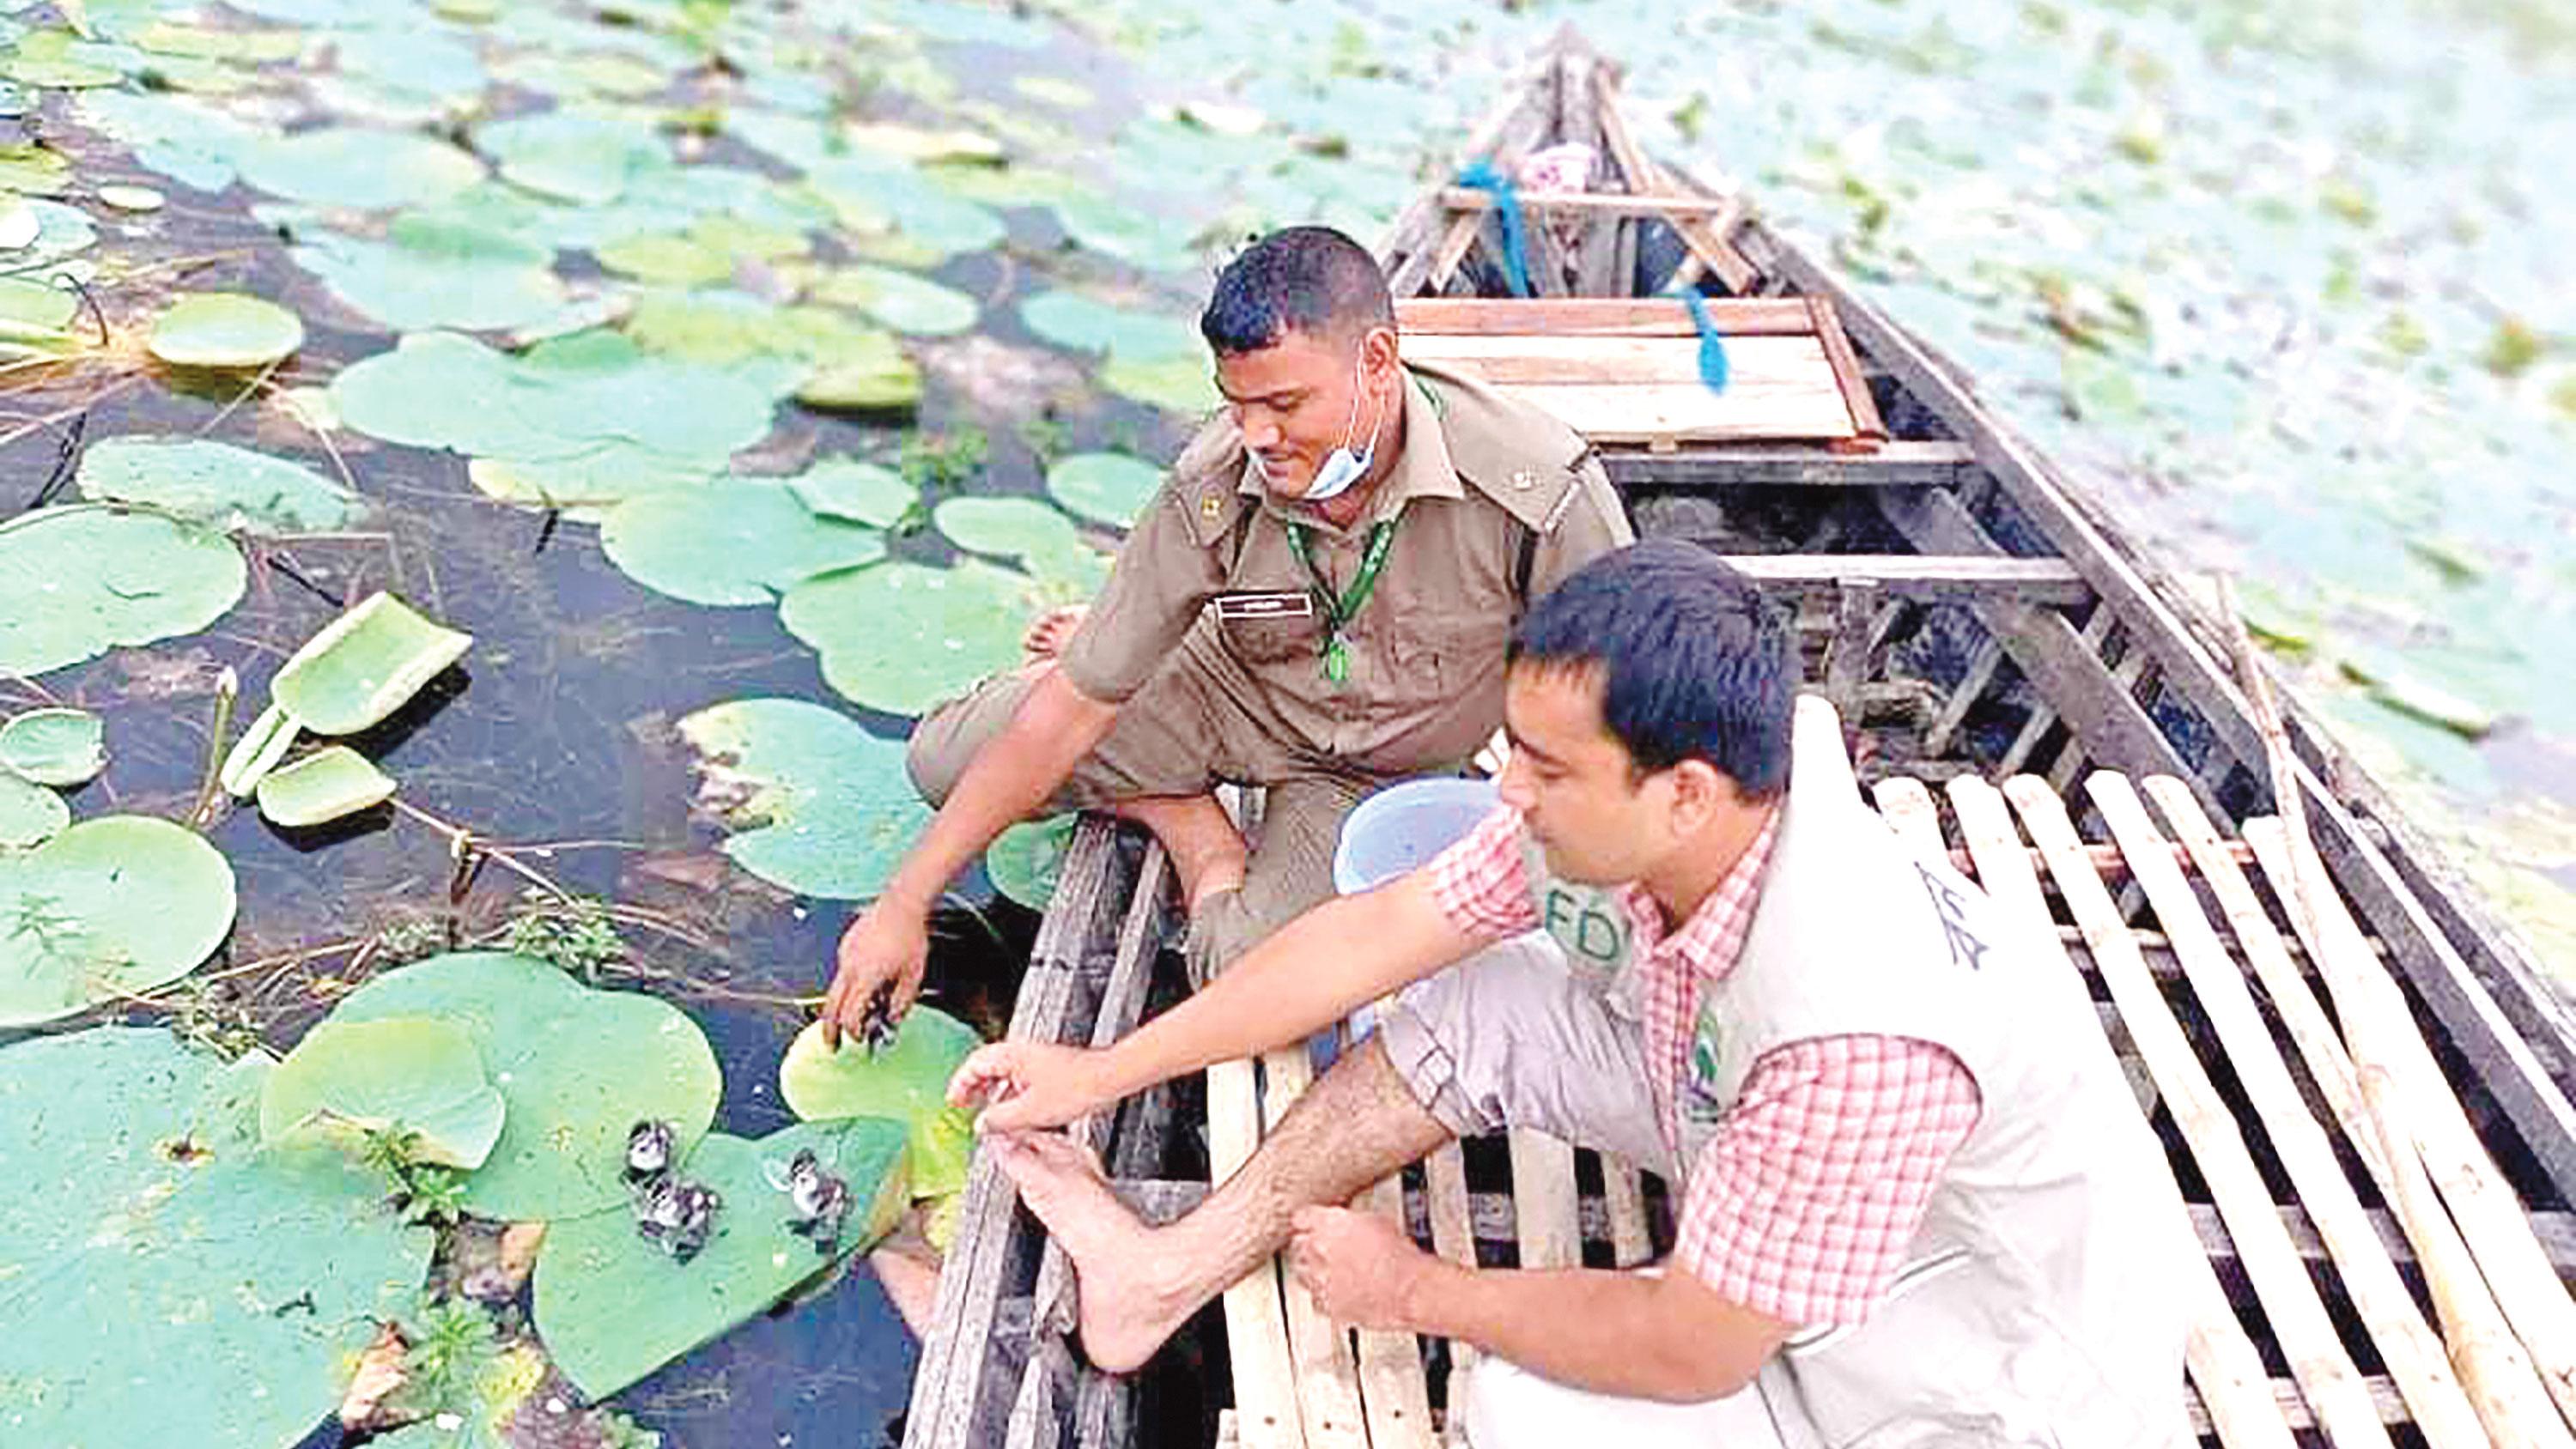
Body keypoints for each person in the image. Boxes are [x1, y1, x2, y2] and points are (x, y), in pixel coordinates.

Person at [949, 541, 2190, 1446]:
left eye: (1545, 770)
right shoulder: (1634, 810)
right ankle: (1163, 1275)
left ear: (1685, 794)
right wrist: (1103, 1071)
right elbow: (1375, 933)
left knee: (1516, 1404)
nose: (1511, 795)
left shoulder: (1852, 1038)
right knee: (1486, 996)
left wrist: (1417, 1290)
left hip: (1965, 1372)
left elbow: (1692, 1350)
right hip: (1767, 1136)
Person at [821, 225, 1631, 1044]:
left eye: (1284, 404)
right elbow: (1073, 704)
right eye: (1235, 403)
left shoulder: (1533, 488)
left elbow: (1616, 700)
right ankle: (1180, 808)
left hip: (1377, 773)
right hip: (1225, 689)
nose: (1257, 437)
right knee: (943, 761)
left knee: (1247, 982)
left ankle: (1199, 841)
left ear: (1378, 362)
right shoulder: (1214, 481)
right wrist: (903, 904)